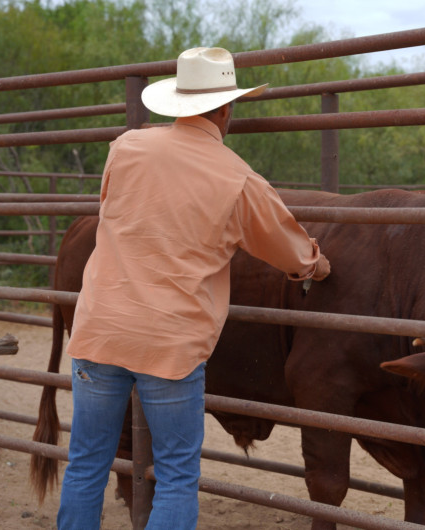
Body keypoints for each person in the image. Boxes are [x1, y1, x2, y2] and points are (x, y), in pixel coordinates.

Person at [56, 47, 331, 529]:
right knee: (178, 476)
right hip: (171, 344)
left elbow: (112, 212)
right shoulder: (237, 179)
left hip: (101, 329)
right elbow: (292, 253)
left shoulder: (125, 147)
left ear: (178, 102)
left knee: (85, 465)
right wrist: (318, 265)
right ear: (226, 109)